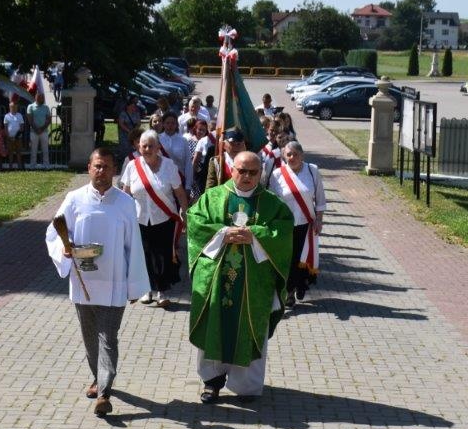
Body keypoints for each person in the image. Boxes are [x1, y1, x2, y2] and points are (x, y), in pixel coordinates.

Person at [45, 147, 150, 416]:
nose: (101, 172)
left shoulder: (125, 203)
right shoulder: (74, 199)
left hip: (114, 283)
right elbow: (55, 232)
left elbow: (133, 246)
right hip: (84, 281)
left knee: (108, 338)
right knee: (90, 337)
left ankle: (104, 392)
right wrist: (64, 248)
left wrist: (135, 285)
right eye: (97, 166)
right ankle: (97, 376)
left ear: (115, 170)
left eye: (106, 167)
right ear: (89, 168)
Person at [187, 150, 293, 403]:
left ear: (260, 173)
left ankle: (246, 386)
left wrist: (255, 235)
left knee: (250, 327)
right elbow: (195, 224)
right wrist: (223, 233)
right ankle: (211, 382)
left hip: (254, 284)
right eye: (241, 170)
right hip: (216, 281)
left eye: (252, 172)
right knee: (214, 326)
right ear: (232, 170)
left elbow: (282, 232)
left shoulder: (272, 204)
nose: (246, 176)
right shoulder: (212, 197)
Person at [119, 129, 189, 308]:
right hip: (140, 219)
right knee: (144, 255)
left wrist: (185, 213)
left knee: (163, 255)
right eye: (144, 146)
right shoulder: (132, 166)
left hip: (164, 218)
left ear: (158, 147)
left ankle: (162, 291)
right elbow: (125, 194)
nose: (147, 149)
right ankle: (146, 289)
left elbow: (180, 192)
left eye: (151, 146)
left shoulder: (168, 165)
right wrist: (122, 217)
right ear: (139, 147)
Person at [268, 141, 326, 306]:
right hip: (285, 225)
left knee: (302, 258)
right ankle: (289, 291)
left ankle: (300, 285)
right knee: (289, 259)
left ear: (302, 155)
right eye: (289, 154)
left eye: (295, 154)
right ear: (284, 156)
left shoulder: (312, 170)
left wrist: (319, 220)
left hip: (306, 223)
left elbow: (320, 198)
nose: (292, 157)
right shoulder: (277, 174)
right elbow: (272, 200)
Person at [158, 112, 190, 195]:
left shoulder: (183, 141)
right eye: (167, 123)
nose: (170, 126)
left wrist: (188, 186)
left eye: (173, 123)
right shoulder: (157, 139)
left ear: (176, 125)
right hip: (161, 180)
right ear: (163, 124)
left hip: (179, 179)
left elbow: (188, 164)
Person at [26, 91, 50, 169]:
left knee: (45, 149)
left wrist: (42, 129)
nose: (43, 99)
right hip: (34, 131)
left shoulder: (46, 107)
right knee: (33, 149)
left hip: (44, 131)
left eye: (43, 97)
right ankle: (32, 165)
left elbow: (48, 119)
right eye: (41, 97)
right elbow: (30, 120)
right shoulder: (30, 107)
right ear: (36, 97)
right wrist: (36, 129)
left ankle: (46, 165)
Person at [4, 100, 25, 170]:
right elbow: (6, 128)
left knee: (18, 152)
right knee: (10, 152)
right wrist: (9, 137)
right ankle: (10, 167)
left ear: (17, 107)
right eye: (12, 107)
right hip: (9, 138)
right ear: (9, 107)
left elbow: (22, 128)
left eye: (15, 107)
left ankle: (19, 167)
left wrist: (15, 137)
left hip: (18, 138)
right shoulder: (6, 116)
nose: (14, 108)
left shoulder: (20, 115)